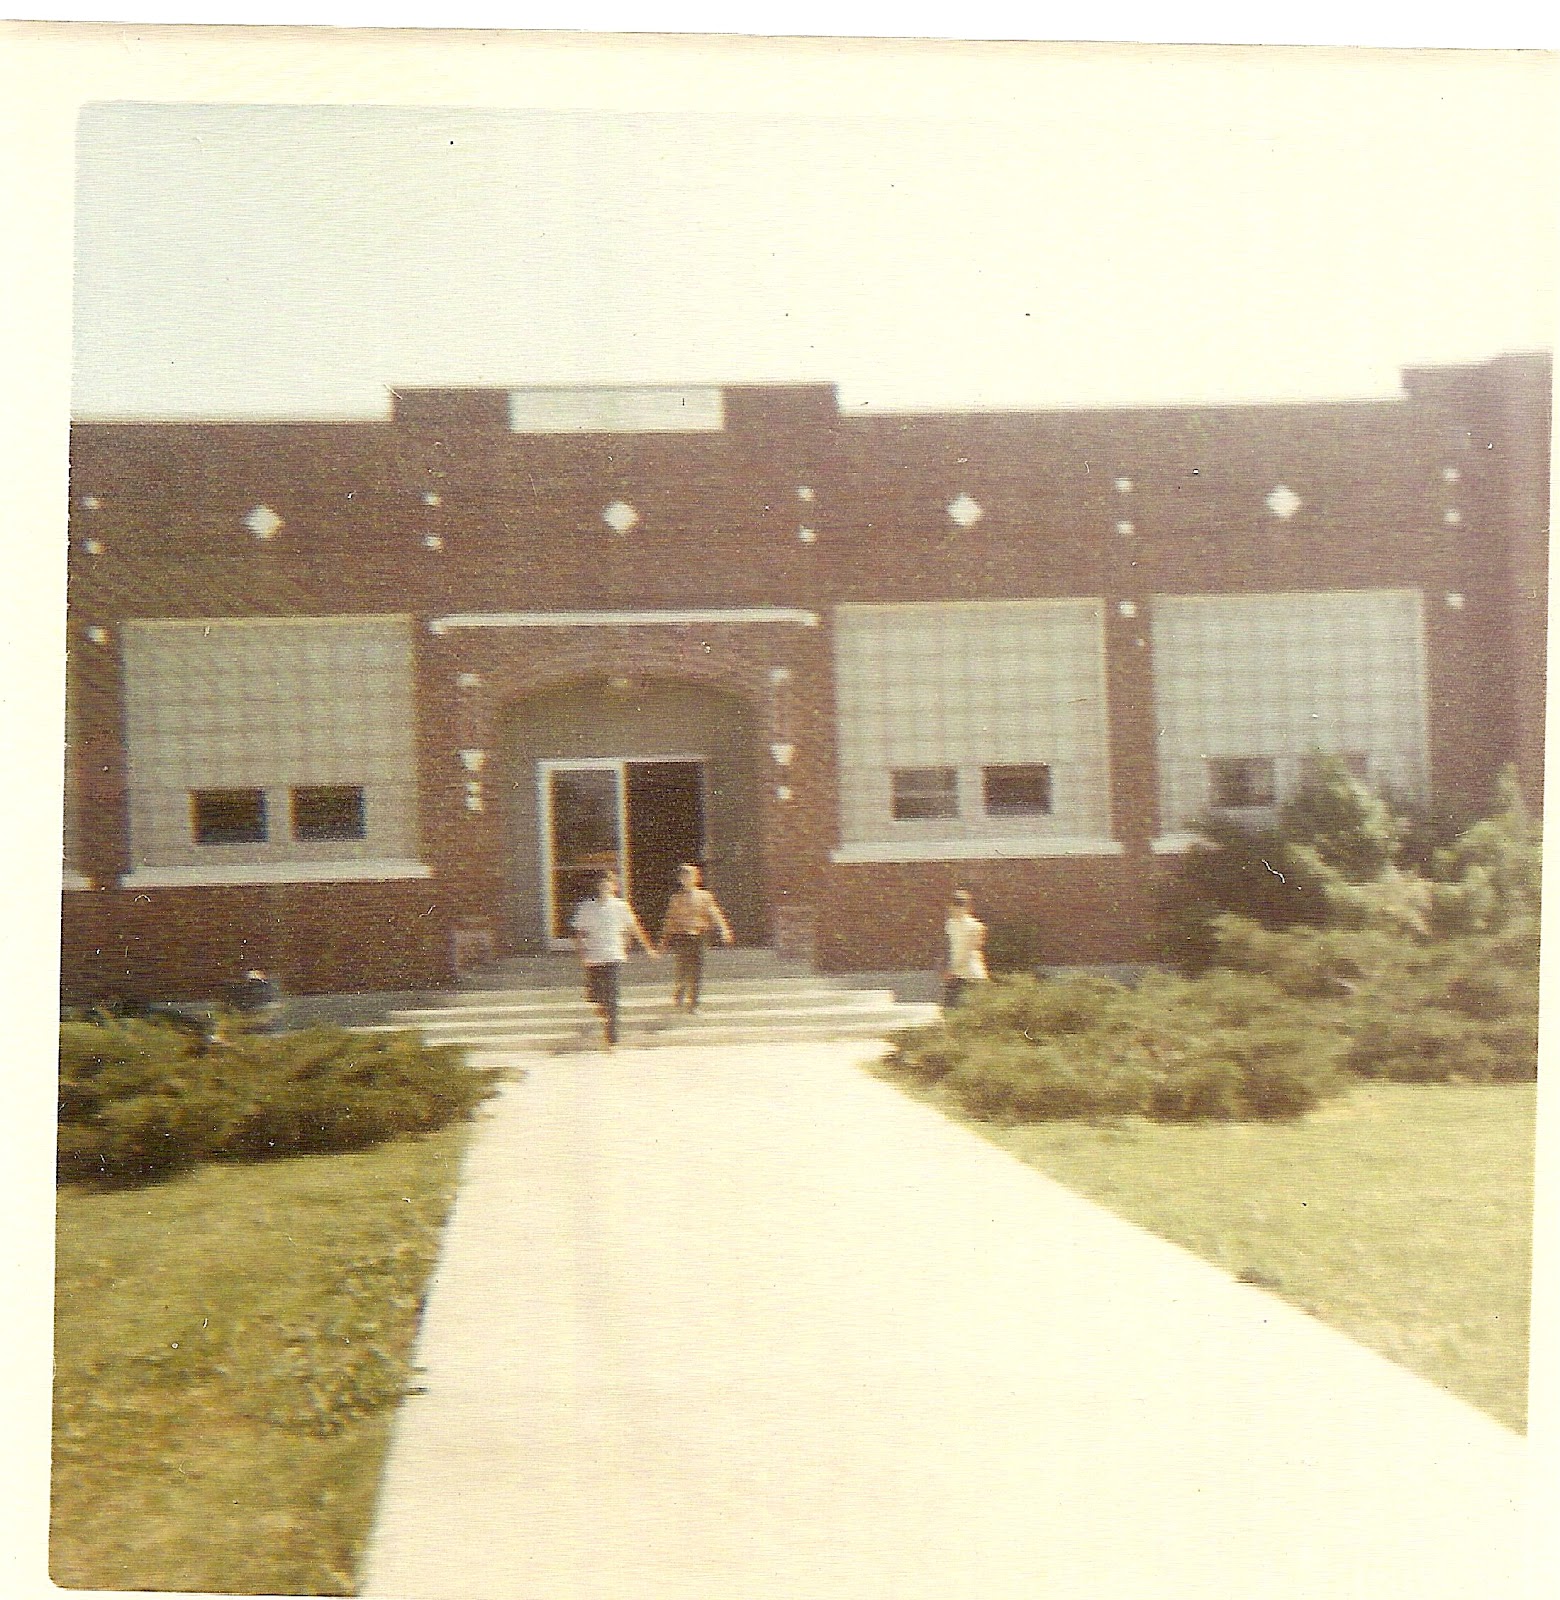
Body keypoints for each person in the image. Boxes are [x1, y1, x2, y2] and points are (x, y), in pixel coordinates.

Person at [570, 870, 657, 1048]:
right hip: (594, 957)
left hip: (613, 955)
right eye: (602, 883)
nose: (605, 886)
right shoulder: (587, 907)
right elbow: (578, 933)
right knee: (595, 996)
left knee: (612, 996)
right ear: (597, 886)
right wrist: (582, 954)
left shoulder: (620, 906)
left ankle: (612, 1037)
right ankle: (604, 1013)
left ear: (614, 886)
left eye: (608, 883)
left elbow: (634, 928)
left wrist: (648, 947)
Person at [657, 863, 734, 1012]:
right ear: (680, 879)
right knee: (683, 967)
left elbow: (714, 913)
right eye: (684, 877)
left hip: (698, 936)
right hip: (682, 936)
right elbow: (670, 921)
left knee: (696, 970)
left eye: (691, 876)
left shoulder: (705, 896)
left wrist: (724, 929)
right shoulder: (676, 899)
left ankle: (693, 1003)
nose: (688, 879)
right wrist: (663, 942)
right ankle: (680, 990)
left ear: (697, 878)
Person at [941, 889, 989, 1008]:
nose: (951, 909)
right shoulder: (950, 925)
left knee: (962, 1012)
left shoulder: (974, 927)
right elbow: (948, 949)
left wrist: (951, 970)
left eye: (956, 905)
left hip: (970, 976)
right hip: (957, 976)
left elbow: (965, 952)